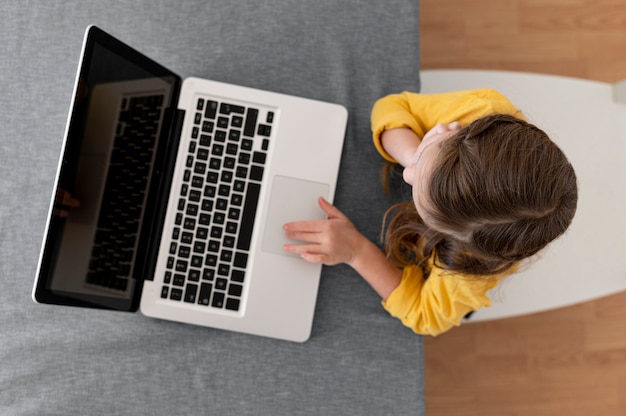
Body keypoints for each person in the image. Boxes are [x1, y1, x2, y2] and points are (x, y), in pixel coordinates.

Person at [282, 88, 578, 336]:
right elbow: (391, 106)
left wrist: (357, 251)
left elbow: (426, 317)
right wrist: (416, 159)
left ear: (449, 240)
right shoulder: (482, 111)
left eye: (414, 180)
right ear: (457, 131)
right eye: (425, 157)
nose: (407, 175)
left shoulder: (468, 274)